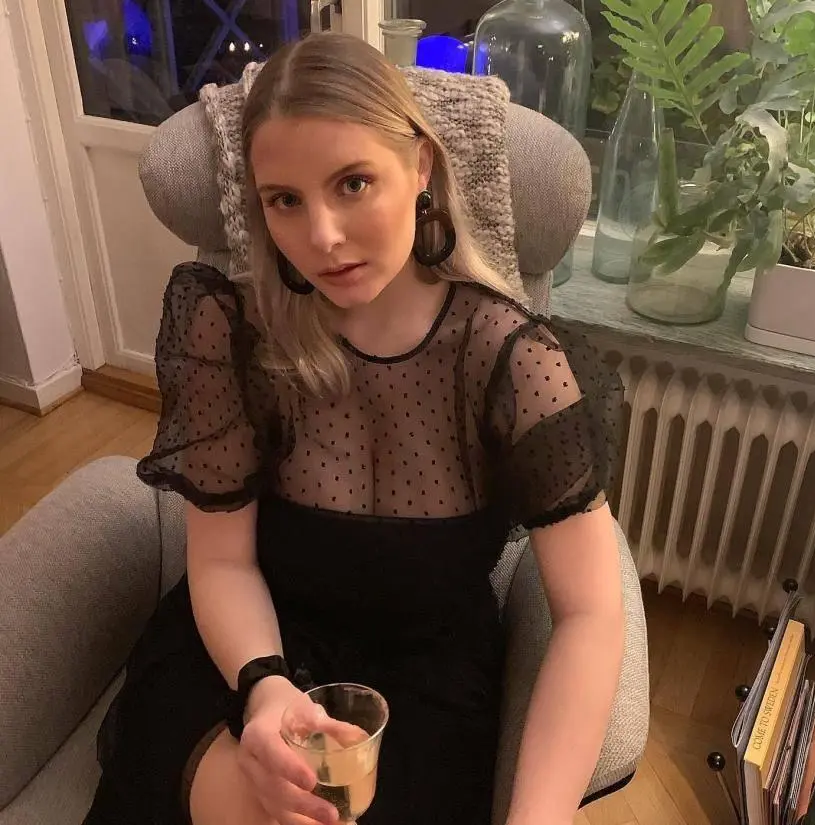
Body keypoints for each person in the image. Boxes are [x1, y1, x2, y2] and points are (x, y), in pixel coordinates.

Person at [83, 31, 625, 825]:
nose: (323, 237)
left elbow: (590, 612)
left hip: (425, 693)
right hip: (246, 657)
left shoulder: (515, 363)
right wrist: (265, 688)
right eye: (285, 200)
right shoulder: (234, 336)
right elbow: (223, 561)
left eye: (354, 183)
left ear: (421, 167)